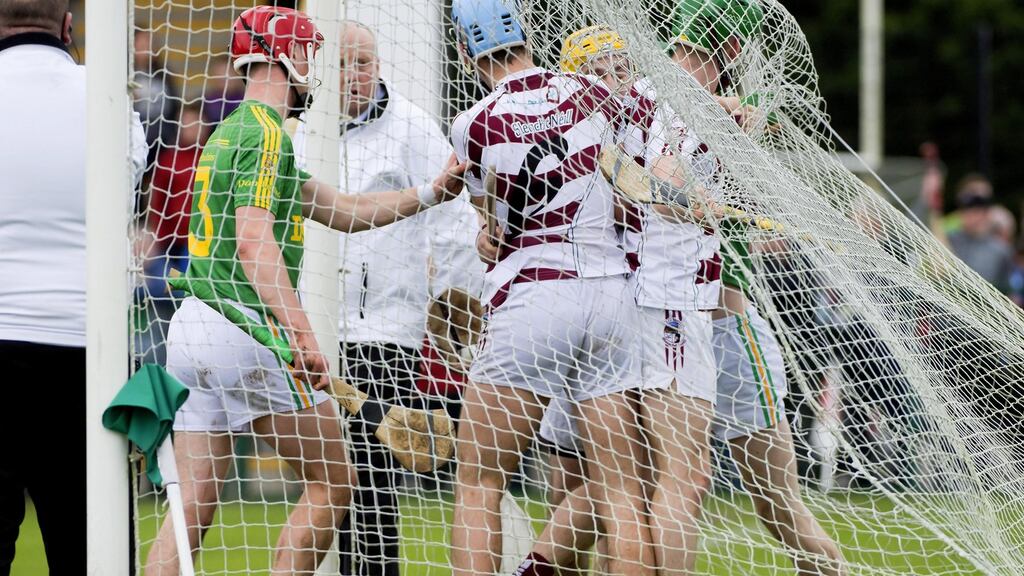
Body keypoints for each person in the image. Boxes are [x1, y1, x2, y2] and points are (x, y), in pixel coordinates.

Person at [144, 6, 468, 575]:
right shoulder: (270, 133)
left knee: (192, 505)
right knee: (335, 480)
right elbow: (254, 241)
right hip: (243, 326)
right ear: (286, 57)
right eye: (310, 55)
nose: (316, 69)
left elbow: (343, 210)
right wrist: (302, 334)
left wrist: (429, 194)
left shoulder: (229, 132)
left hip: (190, 332)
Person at [447, 2, 654, 575]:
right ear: (528, 37)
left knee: (478, 484)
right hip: (612, 295)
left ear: (466, 53)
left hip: (535, 296)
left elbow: (489, 218)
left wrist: (490, 234)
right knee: (620, 491)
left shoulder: (472, 124)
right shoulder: (592, 90)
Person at [292, 20, 481, 576]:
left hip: (385, 332)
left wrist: (454, 309)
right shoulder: (302, 134)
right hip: (317, 329)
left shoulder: (414, 128)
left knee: (371, 477)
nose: (358, 73)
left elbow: (453, 221)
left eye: (366, 61)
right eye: (346, 63)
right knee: (328, 477)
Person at [0, 0, 146, 573]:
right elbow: (125, 205)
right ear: (68, 26)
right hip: (88, 355)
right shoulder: (110, 104)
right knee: (94, 555)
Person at [136, 103, 209, 365]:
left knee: (195, 298)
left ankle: (196, 354)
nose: (192, 128)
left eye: (197, 122)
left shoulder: (210, 158)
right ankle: (159, 355)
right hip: (168, 243)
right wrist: (153, 237)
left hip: (198, 245)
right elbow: (156, 202)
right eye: (187, 122)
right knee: (158, 294)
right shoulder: (168, 159)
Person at [133, 28, 181, 168]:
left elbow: (174, 106)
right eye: (142, 44)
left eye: (150, 44)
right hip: (134, 139)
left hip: (162, 139)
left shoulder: (164, 74)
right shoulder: (124, 73)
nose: (148, 48)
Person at [201, 54, 245, 127]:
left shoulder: (246, 99)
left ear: (237, 74)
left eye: (226, 72)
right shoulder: (206, 101)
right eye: (219, 74)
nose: (222, 78)